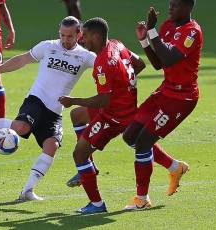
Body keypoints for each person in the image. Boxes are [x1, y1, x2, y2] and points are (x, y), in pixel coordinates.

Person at [0, 16, 97, 202]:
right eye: (62, 35)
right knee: (21, 127)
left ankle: (27, 192)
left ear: (79, 35)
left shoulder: (86, 56)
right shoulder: (48, 46)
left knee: (52, 146)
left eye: (70, 36)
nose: (65, 40)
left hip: (55, 111)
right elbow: (21, 60)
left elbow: (107, 65)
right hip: (36, 100)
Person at [58, 17, 145, 214]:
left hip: (113, 116)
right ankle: (89, 166)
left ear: (96, 36)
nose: (81, 40)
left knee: (79, 153)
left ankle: (96, 204)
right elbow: (139, 64)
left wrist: (73, 100)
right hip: (122, 107)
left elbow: (103, 100)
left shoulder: (103, 63)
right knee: (78, 116)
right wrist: (125, 90)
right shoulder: (117, 44)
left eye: (85, 36)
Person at [122, 0, 203, 210]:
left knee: (142, 143)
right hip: (165, 90)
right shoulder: (167, 25)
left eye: (175, 5)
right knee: (130, 136)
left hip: (181, 98)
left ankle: (142, 199)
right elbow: (159, 64)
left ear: (188, 7)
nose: (170, 8)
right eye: (170, 4)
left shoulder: (192, 32)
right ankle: (175, 167)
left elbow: (169, 59)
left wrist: (152, 30)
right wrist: (144, 41)